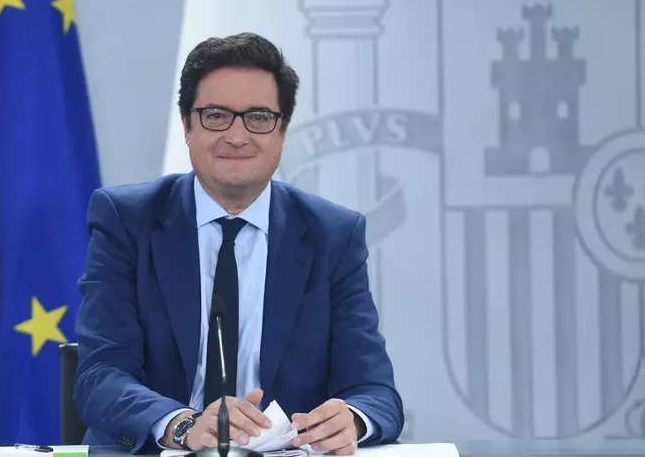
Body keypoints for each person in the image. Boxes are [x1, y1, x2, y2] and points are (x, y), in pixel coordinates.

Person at [73, 32, 404, 455]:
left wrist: (352, 419)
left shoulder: (333, 234)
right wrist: (182, 424)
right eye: (216, 116)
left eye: (259, 118)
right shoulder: (126, 220)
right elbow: (100, 376)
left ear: (282, 131)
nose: (236, 135)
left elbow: (376, 392)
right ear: (187, 125)